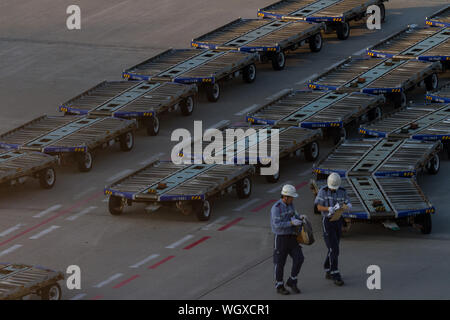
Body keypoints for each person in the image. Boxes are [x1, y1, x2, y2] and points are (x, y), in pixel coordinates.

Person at [314, 173, 352, 286]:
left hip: (338, 220)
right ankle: (335, 273)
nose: (333, 189)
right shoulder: (323, 191)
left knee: (333, 247)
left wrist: (347, 206)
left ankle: (327, 268)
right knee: (334, 249)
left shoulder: (342, 191)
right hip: (327, 221)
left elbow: (347, 202)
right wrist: (328, 208)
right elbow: (318, 206)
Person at [270, 184, 306, 295]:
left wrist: (300, 217)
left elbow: (294, 214)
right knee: (280, 263)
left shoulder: (291, 205)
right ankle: (279, 285)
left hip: (292, 237)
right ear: (285, 197)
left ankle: (292, 281)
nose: (293, 199)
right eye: (291, 197)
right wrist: (290, 223)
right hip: (281, 239)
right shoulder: (276, 208)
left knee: (299, 258)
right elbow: (277, 225)